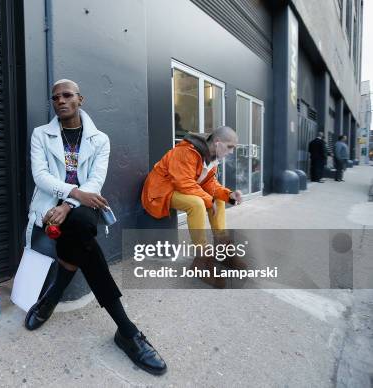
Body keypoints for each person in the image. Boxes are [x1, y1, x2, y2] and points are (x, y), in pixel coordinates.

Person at [24, 79, 167, 376]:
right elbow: (40, 176)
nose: (60, 101)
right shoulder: (41, 135)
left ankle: (51, 298)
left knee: (79, 224)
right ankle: (127, 332)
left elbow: (95, 181)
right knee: (83, 236)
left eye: (67, 96)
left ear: (81, 99)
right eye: (55, 98)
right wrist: (72, 195)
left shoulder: (99, 139)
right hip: (54, 205)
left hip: (80, 207)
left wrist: (68, 205)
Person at [141, 127, 244, 288]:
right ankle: (202, 262)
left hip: (179, 189)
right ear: (217, 143)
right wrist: (207, 200)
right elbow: (184, 183)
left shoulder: (212, 158)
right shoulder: (186, 152)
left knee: (218, 200)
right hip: (160, 192)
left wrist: (228, 195)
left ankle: (224, 251)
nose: (231, 152)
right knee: (197, 204)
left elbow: (210, 184)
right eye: (230, 147)